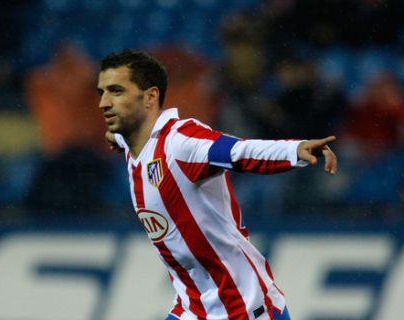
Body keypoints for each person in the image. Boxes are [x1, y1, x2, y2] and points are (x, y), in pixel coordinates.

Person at [96, 49, 337, 320]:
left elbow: (239, 152)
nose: (103, 103)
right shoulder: (132, 140)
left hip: (244, 309)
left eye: (116, 91)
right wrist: (116, 138)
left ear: (151, 97)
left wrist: (295, 150)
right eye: (101, 92)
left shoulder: (180, 142)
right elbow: (126, 138)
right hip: (193, 308)